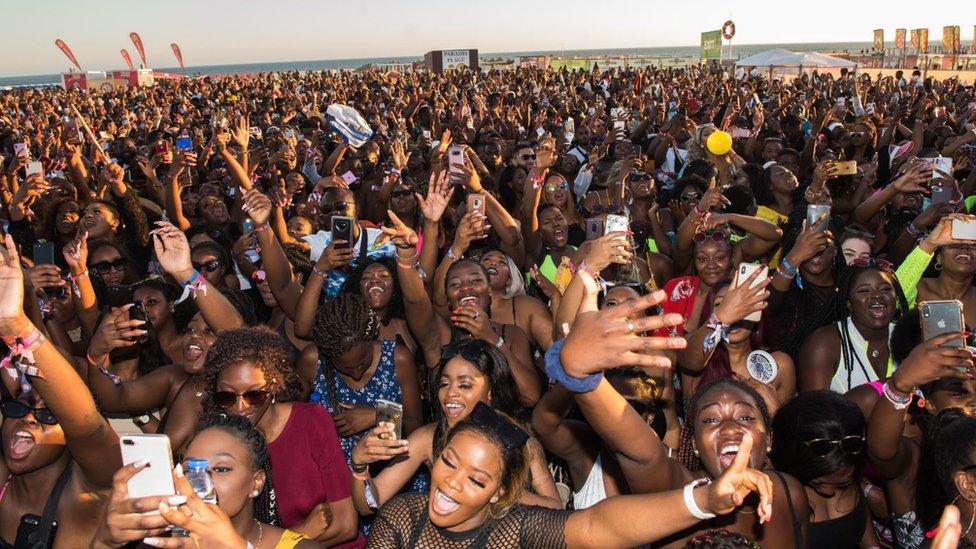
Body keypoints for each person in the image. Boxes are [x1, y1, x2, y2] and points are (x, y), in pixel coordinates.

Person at [555, 269, 809, 547]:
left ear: (769, 438)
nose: (730, 427)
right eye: (711, 420)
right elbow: (636, 447)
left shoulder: (789, 492)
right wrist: (581, 376)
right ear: (695, 444)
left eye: (745, 416)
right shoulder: (674, 487)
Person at [0, 234, 123, 546]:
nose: (28, 419)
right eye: (20, 406)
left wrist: (16, 326)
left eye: (48, 414)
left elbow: (86, 424)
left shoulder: (91, 489)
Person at [349, 339, 560, 512]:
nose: (451, 393)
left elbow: (555, 508)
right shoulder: (428, 438)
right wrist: (359, 466)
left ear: (491, 391)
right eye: (444, 383)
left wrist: (497, 491)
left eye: (465, 385)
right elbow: (370, 504)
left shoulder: (520, 440)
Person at [201, 326, 362, 545]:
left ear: (273, 386)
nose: (240, 406)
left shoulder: (310, 422)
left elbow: (345, 525)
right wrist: (302, 532)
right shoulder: (221, 441)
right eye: (227, 396)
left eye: (254, 394)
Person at [90, 414, 318, 548]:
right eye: (190, 470)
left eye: (221, 469)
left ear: (255, 482)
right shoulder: (162, 542)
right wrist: (103, 543)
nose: (201, 483)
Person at [770, 391, 877, 548]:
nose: (830, 490)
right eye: (818, 482)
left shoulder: (848, 467)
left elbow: (870, 545)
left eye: (842, 483)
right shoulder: (778, 496)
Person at [797, 260, 908, 393]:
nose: (877, 295)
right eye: (864, 290)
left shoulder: (909, 336)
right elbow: (815, 410)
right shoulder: (824, 343)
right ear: (849, 303)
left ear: (896, 298)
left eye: (885, 289)